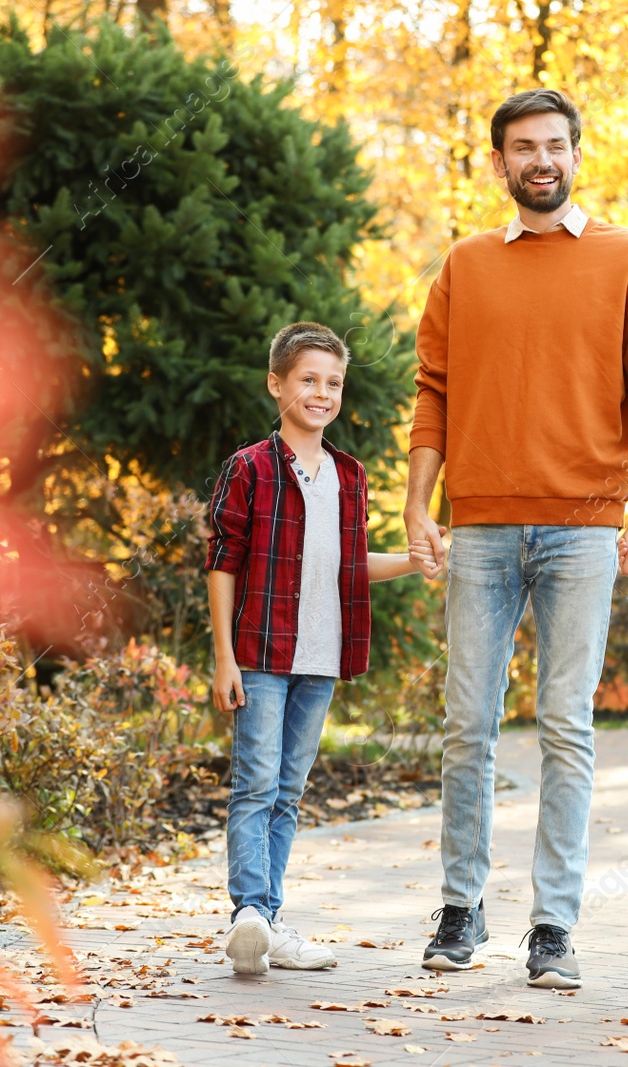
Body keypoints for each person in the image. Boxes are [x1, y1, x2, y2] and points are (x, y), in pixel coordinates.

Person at [404, 87, 628, 989]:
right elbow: (433, 390)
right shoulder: (464, 263)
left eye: (555, 145)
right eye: (523, 147)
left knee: (567, 727)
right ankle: (461, 905)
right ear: (500, 163)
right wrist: (418, 505)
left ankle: (553, 926)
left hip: (585, 533)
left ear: (578, 154)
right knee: (466, 729)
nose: (540, 159)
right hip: (481, 527)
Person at [205, 321, 435, 975]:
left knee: (289, 793)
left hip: (323, 657)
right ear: (276, 384)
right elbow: (223, 563)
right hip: (259, 650)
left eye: (333, 382)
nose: (322, 392)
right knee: (255, 784)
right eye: (308, 379)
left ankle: (267, 924)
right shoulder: (249, 467)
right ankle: (249, 911)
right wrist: (224, 655)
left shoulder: (349, 475)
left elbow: (350, 562)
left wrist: (416, 562)